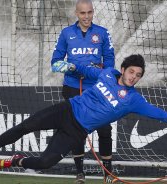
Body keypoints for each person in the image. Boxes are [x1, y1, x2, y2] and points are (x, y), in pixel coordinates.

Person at [0, 54, 167, 184]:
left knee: (45, 163)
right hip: (66, 110)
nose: (134, 77)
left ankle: (14, 161)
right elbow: (86, 70)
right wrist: (67, 65)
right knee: (26, 126)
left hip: (77, 131)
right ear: (124, 68)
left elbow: (153, 111)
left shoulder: (133, 99)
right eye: (131, 72)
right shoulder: (107, 73)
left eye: (138, 75)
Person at [51, 0, 115, 183]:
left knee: (104, 127)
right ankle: (80, 173)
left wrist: (103, 73)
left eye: (89, 12)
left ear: (93, 12)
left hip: (97, 88)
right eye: (83, 13)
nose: (86, 17)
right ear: (76, 14)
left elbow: (110, 59)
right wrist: (67, 66)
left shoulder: (102, 33)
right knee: (76, 130)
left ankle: (108, 173)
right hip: (73, 87)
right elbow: (55, 62)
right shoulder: (66, 33)